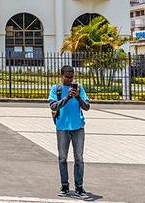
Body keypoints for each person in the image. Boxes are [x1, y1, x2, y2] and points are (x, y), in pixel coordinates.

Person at [48, 65, 90, 197]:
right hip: (62, 128)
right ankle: (65, 186)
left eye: (71, 77)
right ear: (61, 75)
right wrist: (67, 98)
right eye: (67, 76)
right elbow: (53, 106)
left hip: (78, 128)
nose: (69, 79)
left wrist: (77, 97)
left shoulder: (79, 88)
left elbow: (87, 107)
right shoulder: (56, 89)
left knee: (79, 158)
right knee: (62, 158)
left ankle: (79, 187)